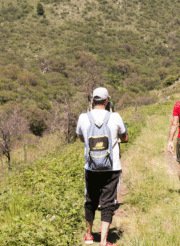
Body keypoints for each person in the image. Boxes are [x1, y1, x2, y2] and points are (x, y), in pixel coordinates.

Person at [77, 87, 128, 246]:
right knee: (107, 202)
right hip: (111, 168)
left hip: (91, 166)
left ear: (92, 101)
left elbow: (81, 138)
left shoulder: (83, 118)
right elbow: (125, 137)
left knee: (90, 199)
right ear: (107, 102)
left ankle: (88, 235)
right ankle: (104, 241)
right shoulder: (115, 117)